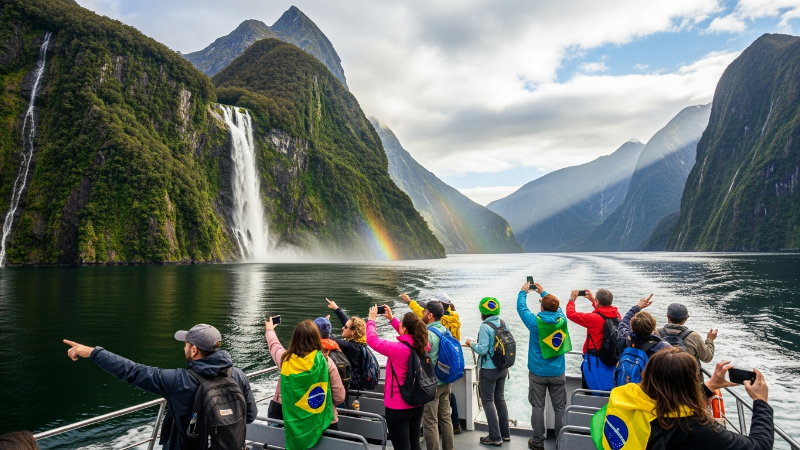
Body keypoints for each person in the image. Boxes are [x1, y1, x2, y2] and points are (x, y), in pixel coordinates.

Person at [63, 324, 257, 450]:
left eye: (186, 344)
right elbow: (250, 416)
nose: (184, 348)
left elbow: (132, 371)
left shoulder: (178, 380)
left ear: (194, 350)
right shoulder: (238, 375)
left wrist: (93, 352)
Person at [592, 347, 773, 450]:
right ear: (691, 383)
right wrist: (761, 402)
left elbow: (663, 405)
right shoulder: (694, 428)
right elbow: (760, 447)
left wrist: (710, 386)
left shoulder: (625, 395)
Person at [264, 317, 346, 446]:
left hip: (289, 421)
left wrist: (269, 330)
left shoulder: (285, 360)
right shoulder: (326, 361)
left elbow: (274, 345)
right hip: (323, 422)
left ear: (295, 339)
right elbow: (339, 396)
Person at [366, 304, 430, 450]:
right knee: (414, 444)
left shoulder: (398, 350)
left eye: (401, 324)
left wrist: (371, 320)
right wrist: (393, 319)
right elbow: (409, 336)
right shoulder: (424, 345)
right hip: (417, 402)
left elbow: (372, 340)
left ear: (405, 329)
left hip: (398, 407)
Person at [517, 282, 570, 450]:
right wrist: (543, 292)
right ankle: (561, 442)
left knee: (538, 407)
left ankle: (538, 442)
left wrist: (523, 292)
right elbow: (558, 308)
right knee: (560, 408)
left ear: (541, 307)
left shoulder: (535, 323)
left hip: (538, 373)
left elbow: (522, 309)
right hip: (557, 373)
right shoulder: (562, 320)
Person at [466, 297, 511, 446]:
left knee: (487, 401)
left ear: (482, 312)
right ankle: (505, 434)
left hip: (489, 369)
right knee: (500, 399)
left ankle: (495, 436)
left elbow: (483, 349)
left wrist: (471, 343)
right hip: (503, 368)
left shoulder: (485, 326)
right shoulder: (504, 323)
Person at [566, 288, 620, 391]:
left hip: (595, 361)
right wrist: (593, 300)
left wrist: (572, 299)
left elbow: (571, 314)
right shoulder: (617, 315)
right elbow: (605, 311)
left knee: (592, 390)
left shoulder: (593, 318)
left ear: (598, 302)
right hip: (611, 358)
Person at [419, 300, 455, 450]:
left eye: (424, 311)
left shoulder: (427, 334)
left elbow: (421, 356)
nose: (422, 313)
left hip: (431, 384)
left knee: (430, 422)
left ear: (430, 315)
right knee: (446, 418)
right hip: (446, 381)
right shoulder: (446, 331)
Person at [659, 303, 717, 373]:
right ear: (686, 318)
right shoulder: (693, 336)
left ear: (667, 316)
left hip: (660, 380)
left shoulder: (655, 333)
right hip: (688, 381)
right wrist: (710, 339)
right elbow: (707, 357)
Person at [326, 298, 368, 391]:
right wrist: (336, 308)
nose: (342, 328)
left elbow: (330, 338)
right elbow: (348, 322)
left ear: (353, 332)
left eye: (345, 327)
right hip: (358, 381)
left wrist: (325, 325)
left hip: (352, 386)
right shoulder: (361, 339)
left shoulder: (351, 347)